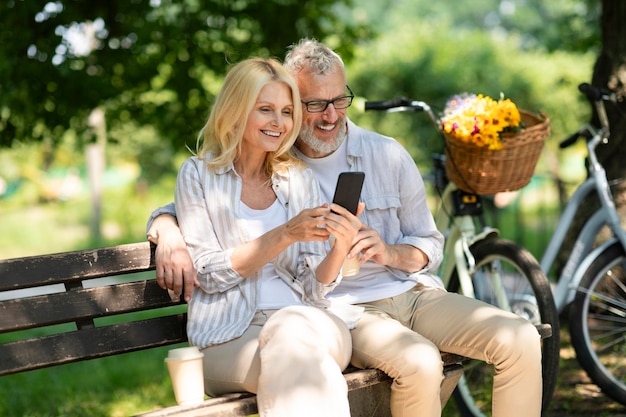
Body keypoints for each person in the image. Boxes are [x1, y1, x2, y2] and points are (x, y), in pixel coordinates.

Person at [147, 40, 543, 417]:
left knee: (520, 337)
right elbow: (200, 205)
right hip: (341, 313)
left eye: (339, 100)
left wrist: (383, 251)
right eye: (314, 104)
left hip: (390, 298)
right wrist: (165, 227)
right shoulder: (275, 165)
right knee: (407, 360)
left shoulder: (366, 157)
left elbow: (425, 244)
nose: (331, 115)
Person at [170, 56, 362, 417]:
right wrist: (284, 234)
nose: (279, 122)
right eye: (266, 109)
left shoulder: (298, 178)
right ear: (237, 110)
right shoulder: (198, 175)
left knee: (290, 330)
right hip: (229, 337)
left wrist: (339, 248)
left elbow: (314, 288)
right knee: (307, 371)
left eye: (287, 111)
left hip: (311, 324)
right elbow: (209, 273)